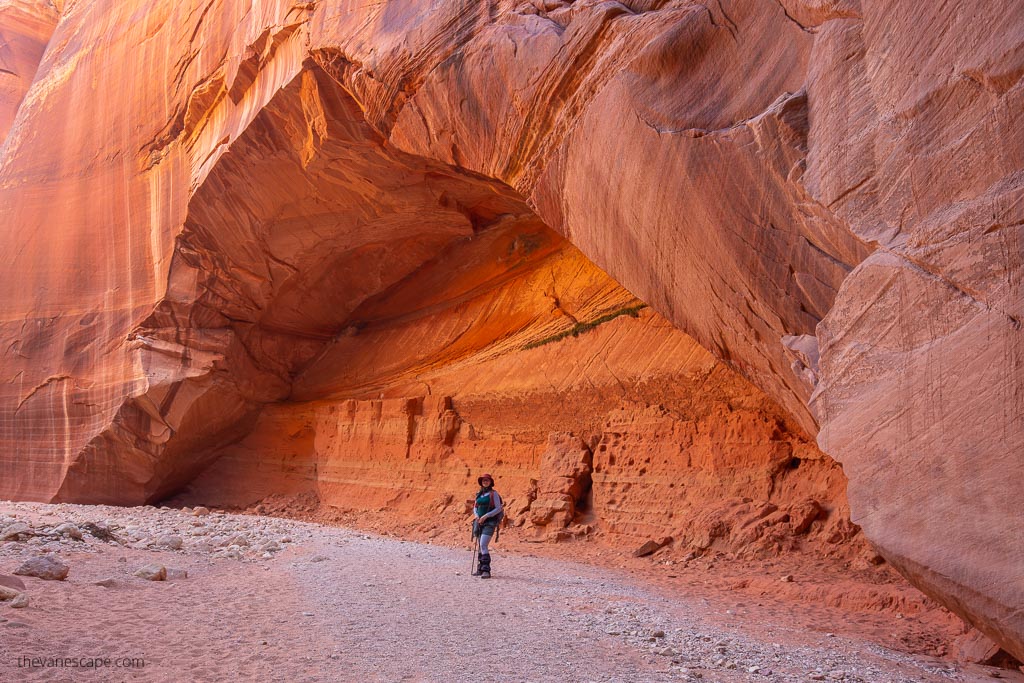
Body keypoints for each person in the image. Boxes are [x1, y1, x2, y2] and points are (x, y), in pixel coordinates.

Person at [471, 473, 503, 578]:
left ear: (490, 482)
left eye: (487, 480)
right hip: (479, 522)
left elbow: (499, 508)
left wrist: (486, 516)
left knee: (483, 544)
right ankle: (480, 569)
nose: (485, 482)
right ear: (481, 482)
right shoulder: (479, 494)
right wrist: (476, 516)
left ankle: (486, 571)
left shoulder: (494, 494)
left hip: (490, 522)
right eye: (484, 480)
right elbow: (475, 507)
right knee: (480, 545)